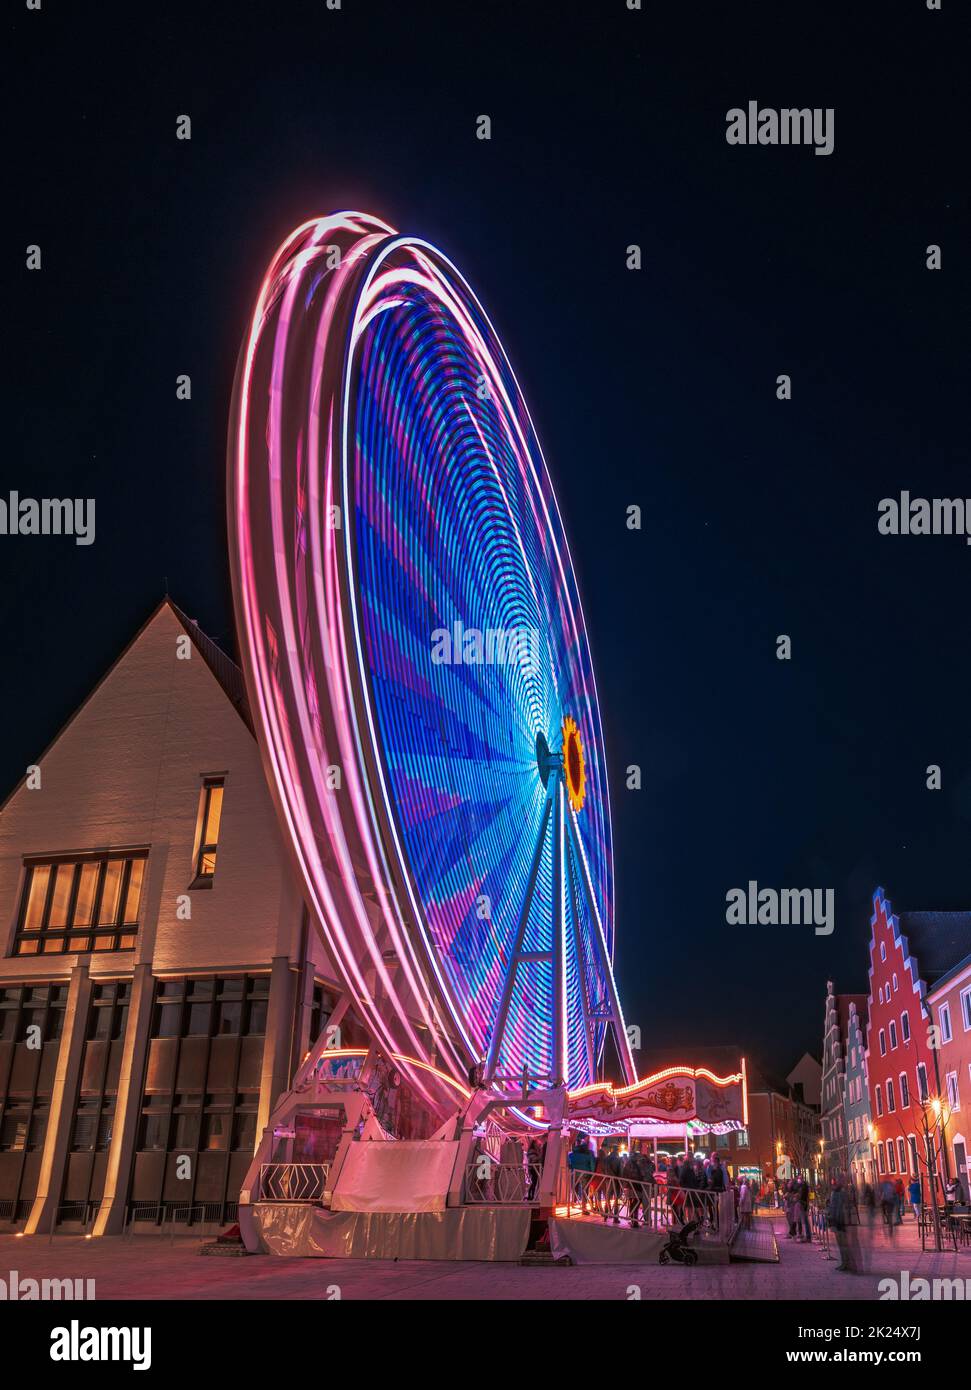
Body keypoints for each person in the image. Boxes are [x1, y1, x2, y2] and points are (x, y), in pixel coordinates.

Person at [827, 1177, 858, 1273]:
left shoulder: (839, 1193)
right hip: (839, 1221)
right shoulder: (838, 1193)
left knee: (843, 1244)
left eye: (834, 1183)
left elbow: (838, 1208)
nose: (833, 1185)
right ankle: (845, 1263)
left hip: (839, 1221)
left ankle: (847, 1263)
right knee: (842, 1244)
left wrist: (833, 1218)